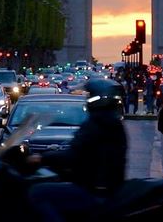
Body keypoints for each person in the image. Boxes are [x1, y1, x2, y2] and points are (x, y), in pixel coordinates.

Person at [27, 79, 127, 222]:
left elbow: (73, 156)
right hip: (103, 187)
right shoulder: (110, 122)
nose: (87, 99)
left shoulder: (98, 124)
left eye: (89, 95)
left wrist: (42, 158)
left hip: (94, 190)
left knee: (37, 193)